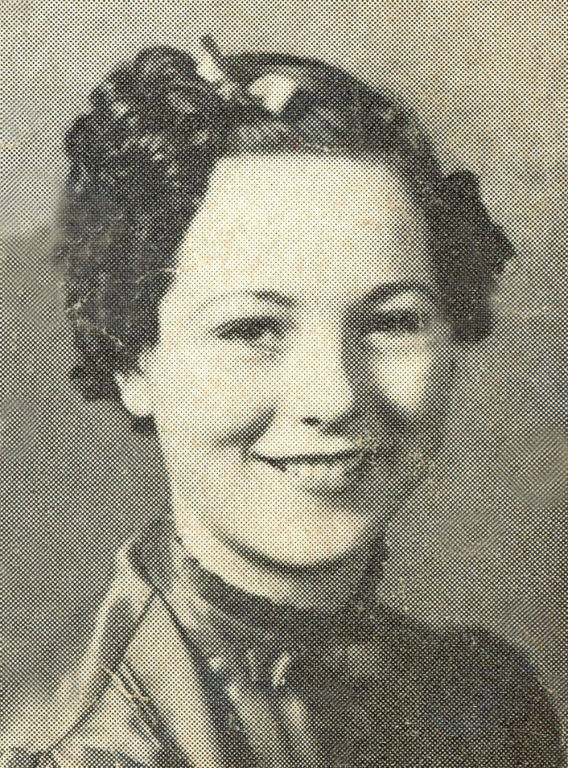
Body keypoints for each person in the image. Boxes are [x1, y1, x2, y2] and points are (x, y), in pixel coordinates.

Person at [1, 37, 564, 767]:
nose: (334, 395)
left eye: (392, 321)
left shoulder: (489, 705)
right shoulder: (85, 750)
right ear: (134, 362)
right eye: (253, 329)